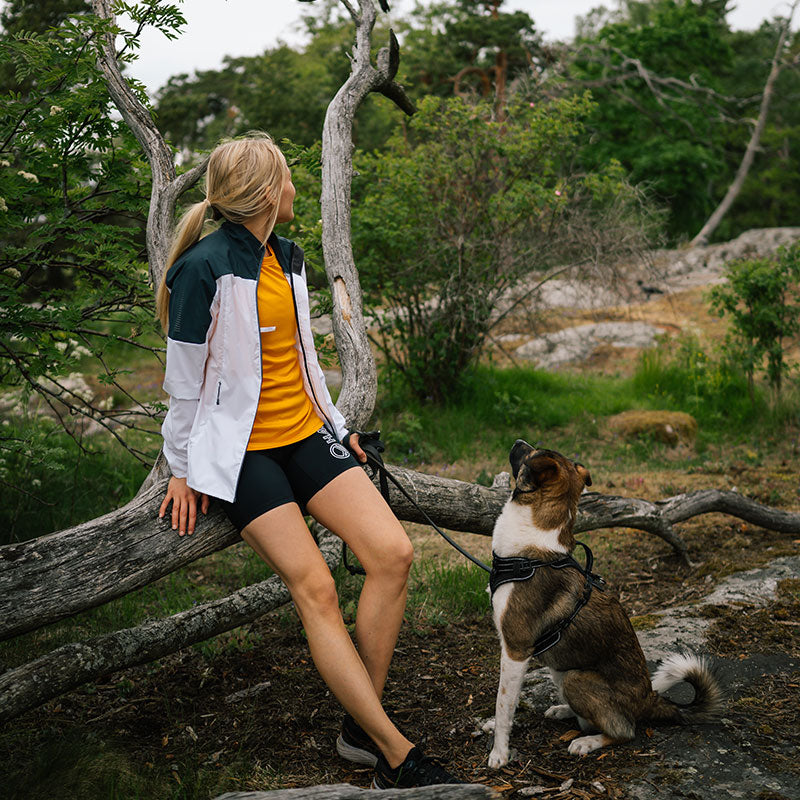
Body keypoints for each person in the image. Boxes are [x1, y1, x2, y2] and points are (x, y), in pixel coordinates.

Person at [155, 133, 460, 789]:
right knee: (317, 588)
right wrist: (179, 468)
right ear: (268, 194)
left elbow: (301, 359)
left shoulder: (285, 256)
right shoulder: (202, 269)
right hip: (241, 457)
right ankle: (395, 753)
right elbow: (182, 385)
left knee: (393, 555)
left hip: (304, 435)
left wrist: (338, 426)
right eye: (289, 180)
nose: (295, 189)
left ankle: (359, 725)